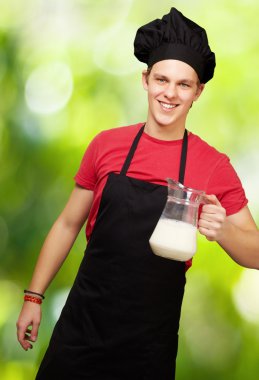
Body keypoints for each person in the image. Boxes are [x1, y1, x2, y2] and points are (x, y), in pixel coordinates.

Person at [16, 7, 259, 380]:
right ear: (145, 79)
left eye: (183, 84)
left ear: (198, 92)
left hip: (148, 347)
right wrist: (34, 297)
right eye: (162, 79)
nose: (170, 93)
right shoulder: (106, 146)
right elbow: (67, 224)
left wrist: (221, 229)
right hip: (81, 332)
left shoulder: (212, 165)